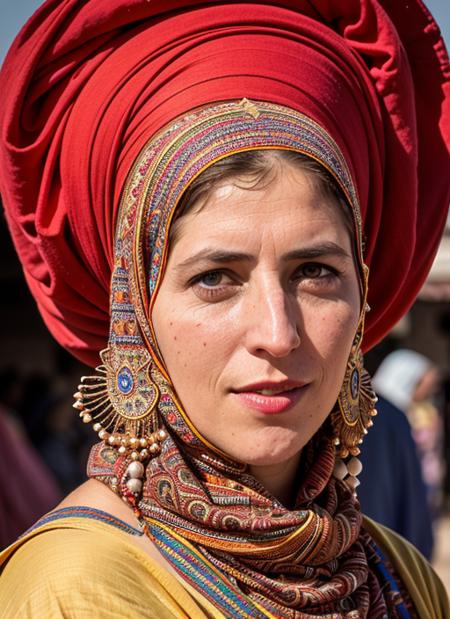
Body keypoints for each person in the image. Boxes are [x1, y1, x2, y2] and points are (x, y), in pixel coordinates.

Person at [0, 1, 449, 617]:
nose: (278, 333)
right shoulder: (79, 588)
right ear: (137, 316)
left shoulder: (397, 574)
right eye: (215, 278)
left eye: (315, 272)